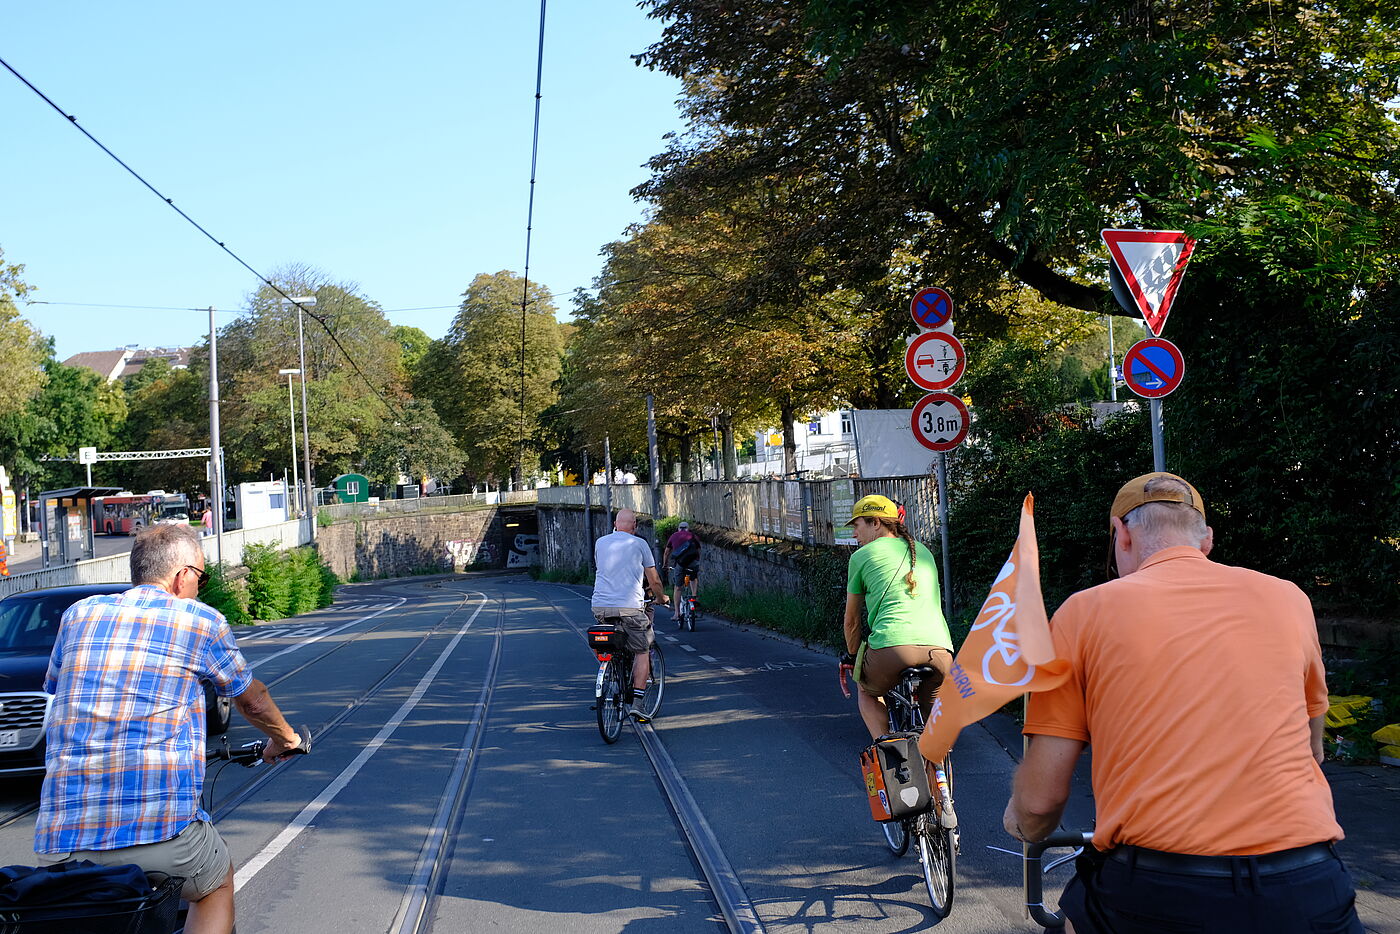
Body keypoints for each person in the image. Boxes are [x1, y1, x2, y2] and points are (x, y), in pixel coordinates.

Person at [1004, 472, 1361, 934]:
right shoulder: (1289, 598)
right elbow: (1313, 748)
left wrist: (1024, 822)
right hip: (1305, 883)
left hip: (1157, 890)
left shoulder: (1084, 611)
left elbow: (1040, 800)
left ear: (1123, 533)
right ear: (1207, 539)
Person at [35, 524, 302, 934]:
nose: (200, 587)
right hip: (159, 836)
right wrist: (286, 739)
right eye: (201, 577)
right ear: (183, 576)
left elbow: (55, 687)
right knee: (217, 881)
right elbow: (253, 700)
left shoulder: (78, 615)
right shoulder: (200, 621)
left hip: (63, 841)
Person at [842, 494, 954, 741]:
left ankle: (888, 752)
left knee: (865, 690)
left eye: (857, 526)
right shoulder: (923, 551)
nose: (854, 535)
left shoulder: (861, 557)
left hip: (891, 648)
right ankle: (937, 769)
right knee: (931, 725)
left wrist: (852, 657)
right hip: (940, 650)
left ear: (876, 523)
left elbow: (851, 621)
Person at [591, 508, 670, 721]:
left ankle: (611, 672)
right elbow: (654, 580)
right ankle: (638, 702)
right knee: (642, 650)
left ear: (615, 525)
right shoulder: (640, 544)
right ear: (634, 526)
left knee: (609, 643)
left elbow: (603, 569)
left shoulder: (600, 542)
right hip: (630, 607)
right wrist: (661, 597)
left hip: (600, 607)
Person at [661, 520, 701, 624]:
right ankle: (694, 596)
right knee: (693, 578)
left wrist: (665, 565)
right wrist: (696, 561)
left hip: (680, 564)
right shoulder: (693, 536)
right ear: (688, 529)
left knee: (678, 587)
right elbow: (698, 550)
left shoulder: (674, 536)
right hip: (693, 563)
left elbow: (666, 552)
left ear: (679, 528)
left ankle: (677, 613)